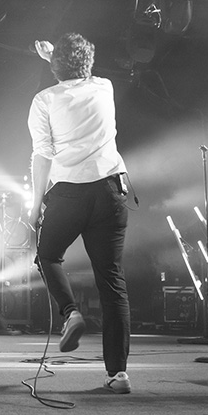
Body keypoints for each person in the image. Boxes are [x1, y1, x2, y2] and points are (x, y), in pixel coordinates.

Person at [27, 33, 132, 394]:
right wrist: (57, 57)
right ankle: (118, 375)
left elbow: (42, 154)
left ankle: (70, 312)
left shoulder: (44, 101)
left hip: (68, 193)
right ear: (89, 63)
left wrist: (35, 202)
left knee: (47, 254)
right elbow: (77, 71)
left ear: (56, 67)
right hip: (109, 191)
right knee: (112, 282)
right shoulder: (105, 87)